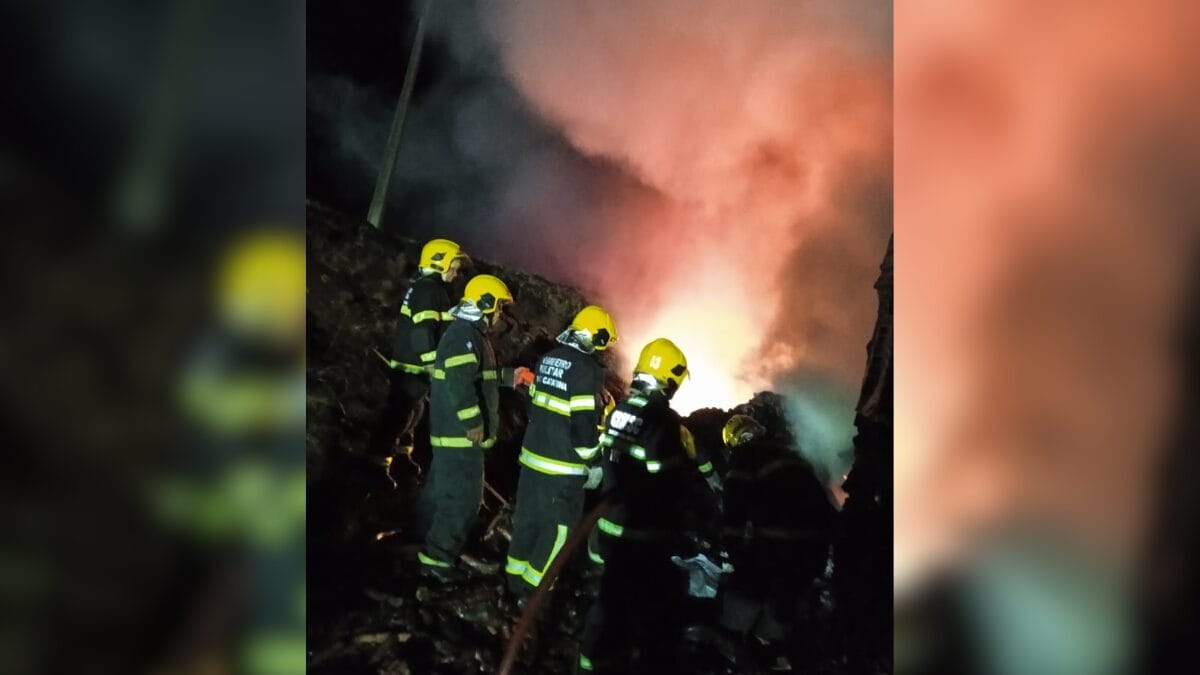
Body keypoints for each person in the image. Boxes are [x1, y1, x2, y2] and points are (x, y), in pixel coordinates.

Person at [578, 338, 716, 673]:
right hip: (642, 533)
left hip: (610, 525)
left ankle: (590, 661)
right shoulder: (661, 419)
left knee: (609, 599)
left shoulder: (620, 410)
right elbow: (668, 481)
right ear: (669, 378)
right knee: (645, 607)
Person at [415, 274, 530, 578]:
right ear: (486, 303)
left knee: (440, 492)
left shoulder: (467, 335)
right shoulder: (465, 335)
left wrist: (510, 377)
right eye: (498, 309)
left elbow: (478, 376)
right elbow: (459, 381)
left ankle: (420, 539)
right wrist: (473, 422)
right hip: (461, 436)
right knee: (463, 500)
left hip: (450, 435)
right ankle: (437, 561)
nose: (499, 316)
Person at [505, 305, 618, 602]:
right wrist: (594, 461)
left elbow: (533, 407)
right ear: (597, 337)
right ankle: (535, 593)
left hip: (531, 461)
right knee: (557, 532)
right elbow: (583, 429)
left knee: (527, 520)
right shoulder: (587, 371)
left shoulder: (548, 359)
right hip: (562, 470)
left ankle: (514, 582)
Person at [717, 413, 836, 665]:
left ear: (734, 442)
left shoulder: (744, 457)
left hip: (779, 545)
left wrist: (733, 549)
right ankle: (783, 652)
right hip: (816, 547)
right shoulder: (792, 456)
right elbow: (824, 502)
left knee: (748, 589)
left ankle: (739, 650)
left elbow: (734, 510)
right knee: (788, 598)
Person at [366, 238, 467, 477]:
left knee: (414, 413)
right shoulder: (429, 289)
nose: (456, 271)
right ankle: (376, 463)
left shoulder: (427, 288)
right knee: (400, 415)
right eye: (454, 265)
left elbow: (436, 324)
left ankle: (401, 456)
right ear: (440, 262)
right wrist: (432, 363)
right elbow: (422, 331)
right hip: (413, 366)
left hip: (414, 365)